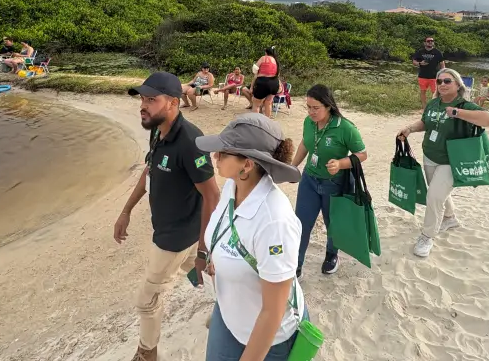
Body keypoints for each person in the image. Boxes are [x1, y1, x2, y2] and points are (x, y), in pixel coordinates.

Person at [116, 72, 221, 361]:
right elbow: (149, 172)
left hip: (177, 237)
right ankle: (228, 308)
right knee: (199, 273)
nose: (143, 105)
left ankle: (147, 353)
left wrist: (203, 247)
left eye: (152, 99)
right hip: (172, 231)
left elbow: (212, 195)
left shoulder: (190, 141)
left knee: (147, 302)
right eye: (142, 98)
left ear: (173, 103)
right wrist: (126, 210)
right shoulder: (157, 130)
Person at [196, 114, 307, 361]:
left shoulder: (274, 222)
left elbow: (272, 311)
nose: (216, 156)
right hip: (228, 315)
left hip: (269, 339)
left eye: (223, 152)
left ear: (247, 164)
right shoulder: (231, 187)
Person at [397, 68, 489, 258]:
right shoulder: (434, 103)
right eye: (439, 81)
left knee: (433, 196)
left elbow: (488, 120)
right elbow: (425, 122)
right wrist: (410, 129)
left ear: (457, 85)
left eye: (447, 81)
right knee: (438, 192)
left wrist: (457, 112)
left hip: (452, 159)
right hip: (430, 155)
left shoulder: (465, 105)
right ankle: (449, 218)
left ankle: (427, 236)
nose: (442, 84)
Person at [291, 84, 367, 277]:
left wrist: (341, 163)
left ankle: (332, 255)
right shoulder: (309, 122)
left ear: (328, 106)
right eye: (308, 107)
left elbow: (362, 154)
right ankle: (296, 264)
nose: (311, 112)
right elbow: (305, 143)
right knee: (301, 223)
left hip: (334, 184)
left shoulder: (345, 128)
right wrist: (294, 166)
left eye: (315, 108)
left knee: (332, 223)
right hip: (309, 180)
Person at [412, 36, 445, 107]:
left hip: (434, 76)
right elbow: (414, 61)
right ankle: (424, 107)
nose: (430, 42)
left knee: (435, 92)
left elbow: (442, 64)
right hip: (422, 76)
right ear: (425, 43)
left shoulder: (437, 52)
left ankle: (435, 106)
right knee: (423, 92)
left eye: (432, 41)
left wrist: (443, 74)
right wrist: (420, 63)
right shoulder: (420, 52)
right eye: (428, 41)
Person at [250, 46, 281, 118]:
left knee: (256, 104)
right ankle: (267, 123)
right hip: (274, 83)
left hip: (263, 82)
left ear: (266, 52)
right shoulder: (276, 61)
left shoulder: (263, 58)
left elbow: (255, 69)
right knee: (268, 103)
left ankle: (255, 123)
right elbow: (278, 74)